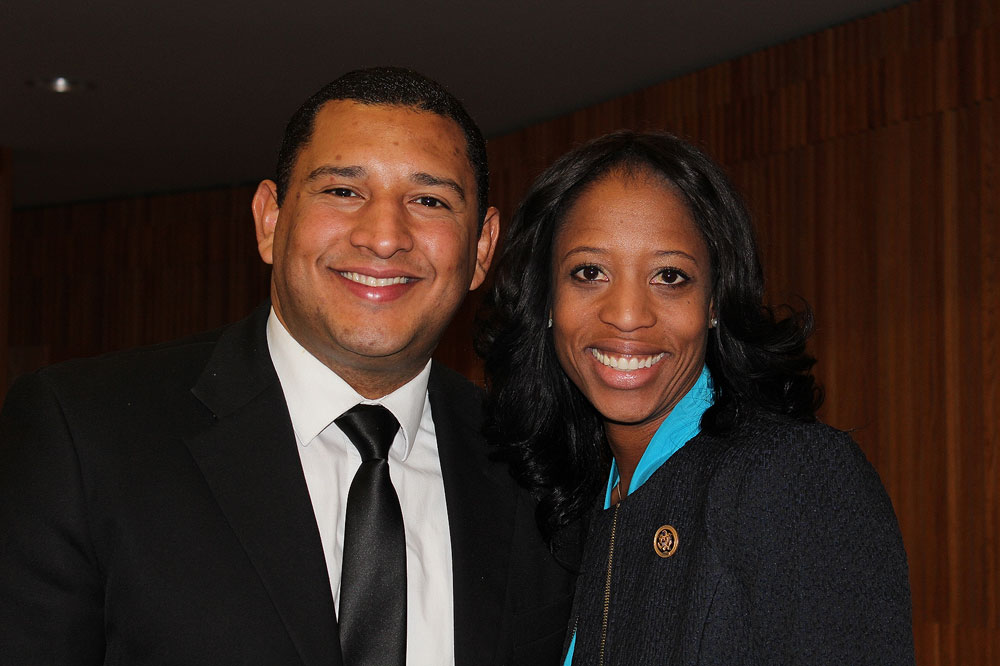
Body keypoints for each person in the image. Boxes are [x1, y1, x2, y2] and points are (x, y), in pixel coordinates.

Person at [0, 67, 574, 666]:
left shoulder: (534, 461)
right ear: (270, 220)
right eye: (342, 191)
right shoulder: (85, 435)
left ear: (482, 248)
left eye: (428, 200)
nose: (384, 237)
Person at [478, 131, 915, 664]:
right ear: (547, 299)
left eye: (669, 276)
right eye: (589, 273)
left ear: (715, 300)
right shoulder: (565, 503)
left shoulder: (791, 477)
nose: (627, 314)